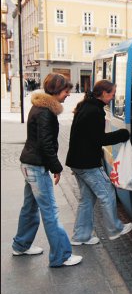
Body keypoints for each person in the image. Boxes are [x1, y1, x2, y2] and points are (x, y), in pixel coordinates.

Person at [12, 73, 82, 267]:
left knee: (30, 208)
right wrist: (56, 168)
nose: (68, 94)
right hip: (36, 166)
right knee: (50, 211)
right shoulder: (45, 112)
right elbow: (45, 144)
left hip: (29, 164)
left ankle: (21, 245)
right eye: (66, 91)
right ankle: (61, 256)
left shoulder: (39, 107)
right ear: (57, 90)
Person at [66, 80, 132, 245]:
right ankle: (115, 229)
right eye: (111, 94)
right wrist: (122, 134)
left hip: (77, 161)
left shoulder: (86, 106)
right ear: (103, 93)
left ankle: (81, 236)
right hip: (87, 163)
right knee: (107, 192)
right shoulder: (95, 111)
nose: (113, 97)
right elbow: (99, 139)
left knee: (87, 199)